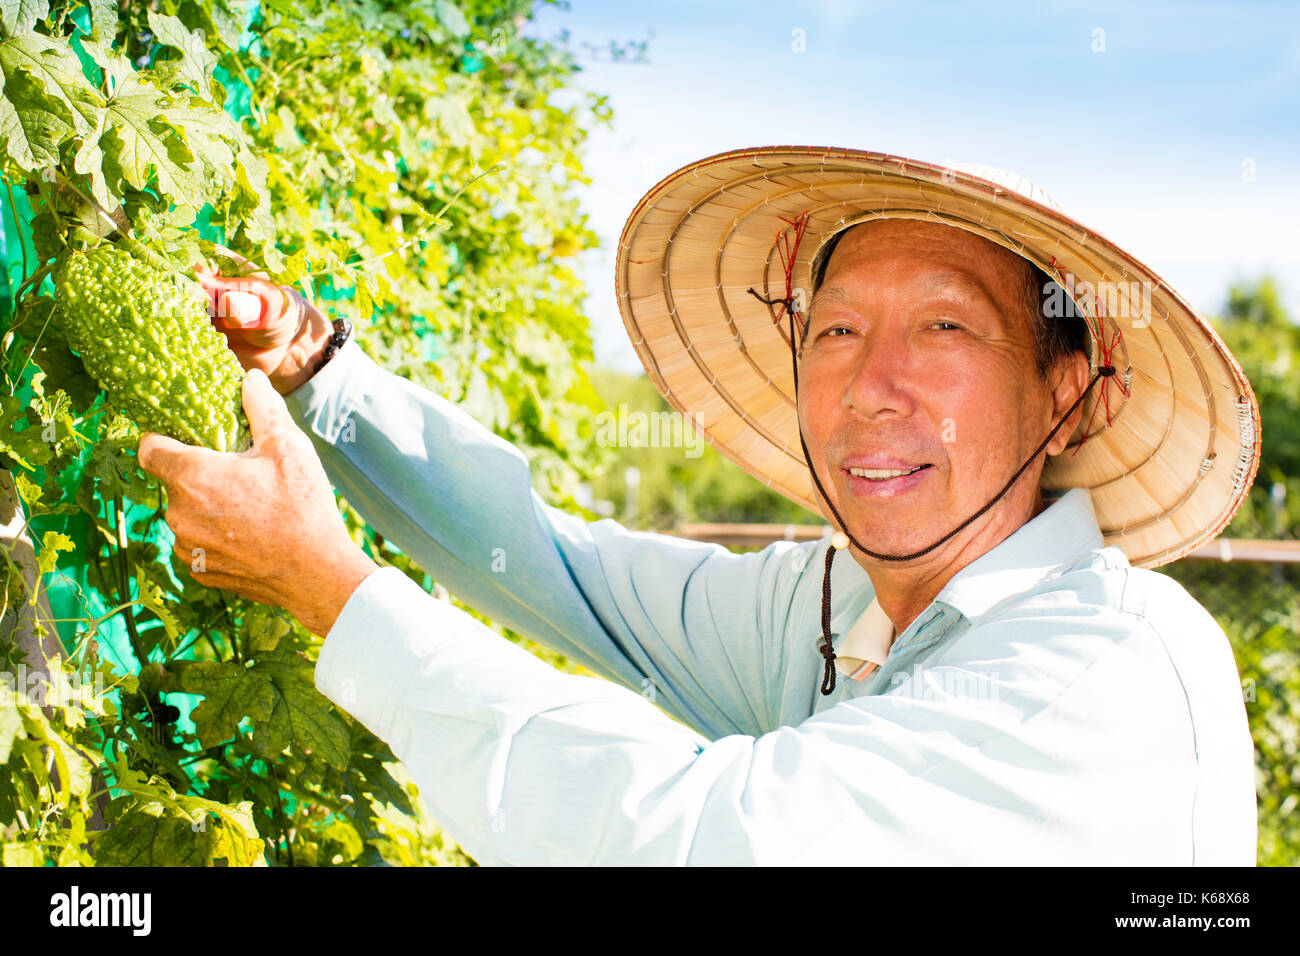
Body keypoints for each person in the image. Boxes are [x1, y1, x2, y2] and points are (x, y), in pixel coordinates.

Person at [138, 146, 1261, 865]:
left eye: (945, 326)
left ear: (1067, 395)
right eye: (835, 328)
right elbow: (554, 565)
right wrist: (318, 372)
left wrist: (331, 590)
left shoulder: (1102, 660)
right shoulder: (837, 609)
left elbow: (704, 838)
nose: (870, 386)